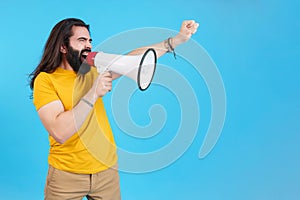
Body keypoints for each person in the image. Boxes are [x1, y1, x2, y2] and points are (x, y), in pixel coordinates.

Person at [29, 18, 198, 200]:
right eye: (81, 41)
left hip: (106, 171)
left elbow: (133, 59)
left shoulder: (90, 70)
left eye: (89, 40)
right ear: (63, 47)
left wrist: (177, 40)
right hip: (67, 175)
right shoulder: (46, 80)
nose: (88, 45)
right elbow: (60, 132)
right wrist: (93, 93)